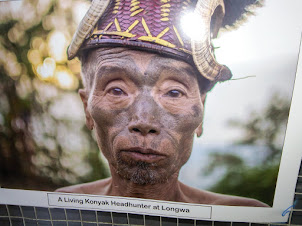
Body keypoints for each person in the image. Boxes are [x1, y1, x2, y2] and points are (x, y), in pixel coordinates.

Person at [57, 0, 268, 207]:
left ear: (201, 111)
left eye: (174, 93)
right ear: (87, 108)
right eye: (117, 90)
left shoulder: (247, 218)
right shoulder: (57, 209)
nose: (144, 121)